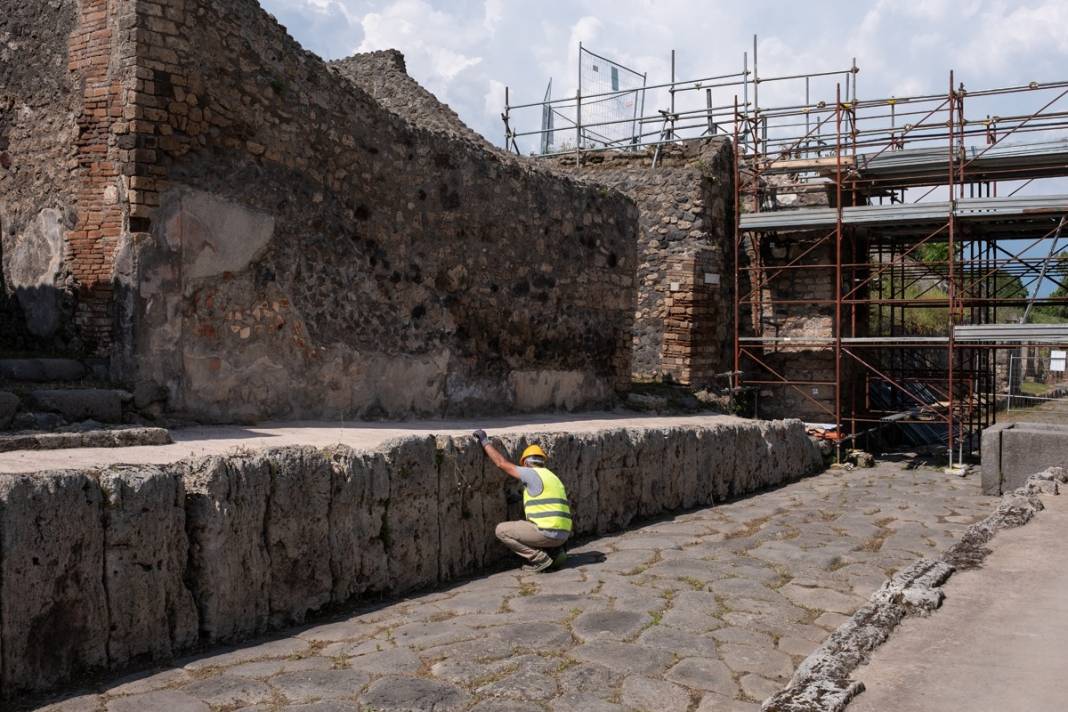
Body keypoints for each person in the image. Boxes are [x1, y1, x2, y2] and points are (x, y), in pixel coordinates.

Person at [473, 429, 571, 573]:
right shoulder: (552, 477)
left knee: (501, 530)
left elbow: (501, 463)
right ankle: (555, 553)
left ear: (526, 462)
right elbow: (544, 500)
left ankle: (539, 558)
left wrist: (484, 441)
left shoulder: (530, 472)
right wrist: (519, 498)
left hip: (548, 533)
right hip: (563, 535)